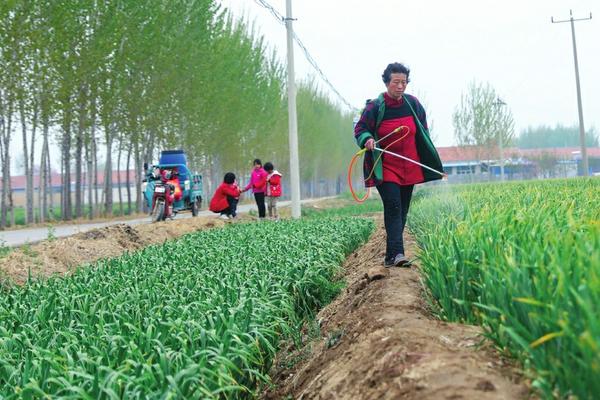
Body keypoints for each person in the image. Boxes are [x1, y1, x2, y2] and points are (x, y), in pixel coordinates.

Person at [354, 62, 443, 267]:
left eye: (404, 82)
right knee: (393, 206)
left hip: (409, 165)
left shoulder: (413, 104)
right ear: (387, 82)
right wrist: (367, 139)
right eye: (396, 82)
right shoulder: (375, 107)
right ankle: (398, 254)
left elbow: (422, 132)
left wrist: (428, 155)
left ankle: (390, 255)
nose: (400, 86)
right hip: (386, 166)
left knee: (402, 209)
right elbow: (360, 129)